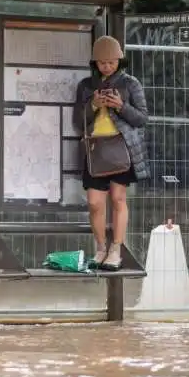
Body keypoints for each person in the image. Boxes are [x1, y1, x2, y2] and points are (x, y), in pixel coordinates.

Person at [73, 36, 149, 270]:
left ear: (119, 60)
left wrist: (120, 106)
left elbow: (142, 118)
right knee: (95, 202)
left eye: (112, 62)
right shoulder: (86, 85)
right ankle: (100, 247)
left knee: (118, 198)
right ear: (95, 63)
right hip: (95, 148)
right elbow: (78, 121)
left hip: (121, 147)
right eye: (102, 62)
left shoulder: (130, 83)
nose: (107, 66)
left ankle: (116, 248)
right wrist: (94, 105)